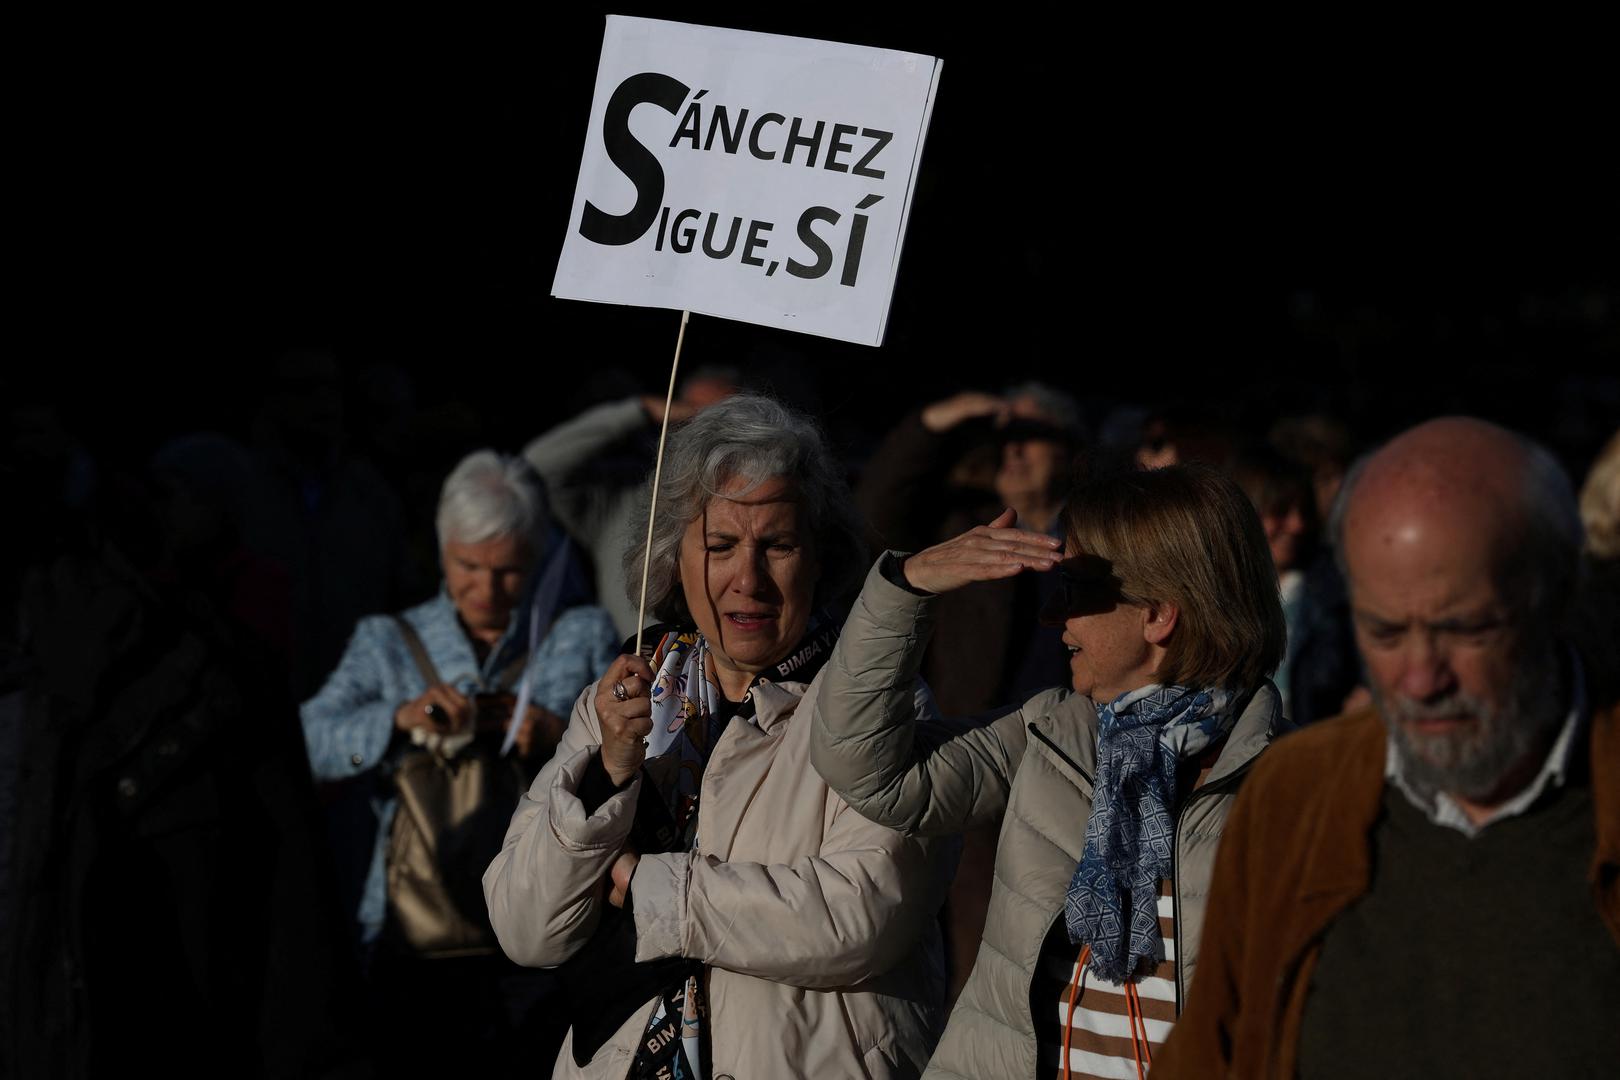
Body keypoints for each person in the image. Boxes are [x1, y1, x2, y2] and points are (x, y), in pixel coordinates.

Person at [484, 394, 954, 1079]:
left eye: (778, 545)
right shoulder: (631, 688)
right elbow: (527, 930)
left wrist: (649, 887)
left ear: (820, 556)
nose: (749, 580)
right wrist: (608, 772)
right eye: (721, 545)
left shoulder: (878, 697)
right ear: (675, 557)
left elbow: (863, 915)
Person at [1154, 418, 1620, 1078]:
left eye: (1466, 630)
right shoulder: (1296, 795)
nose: (1421, 679)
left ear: (1557, 597)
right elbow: (1208, 1053)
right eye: (1385, 632)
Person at [812, 463, 1291, 1080]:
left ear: (1158, 616)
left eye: (1077, 589)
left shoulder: (1293, 787)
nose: (1051, 614)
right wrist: (908, 586)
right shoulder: (1052, 732)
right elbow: (868, 770)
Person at [301, 450, 619, 1067]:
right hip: (411, 934)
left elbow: (634, 757)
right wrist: (397, 720)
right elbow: (307, 742)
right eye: (467, 566)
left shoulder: (579, 634)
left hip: (541, 923)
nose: (485, 588)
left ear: (538, 558)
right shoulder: (388, 641)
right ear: (440, 551)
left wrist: (559, 734)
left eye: (509, 571)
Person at [522, 368, 738, 638]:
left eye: (724, 421)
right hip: (633, 671)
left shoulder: (748, 511)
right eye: (693, 415)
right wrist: (639, 410)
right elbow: (537, 467)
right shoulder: (620, 499)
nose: (704, 432)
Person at [1230, 447, 1361, 724]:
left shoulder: (1338, 589)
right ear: (1245, 515)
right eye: (1279, 511)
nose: (1297, 525)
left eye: (1304, 511)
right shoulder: (1212, 595)